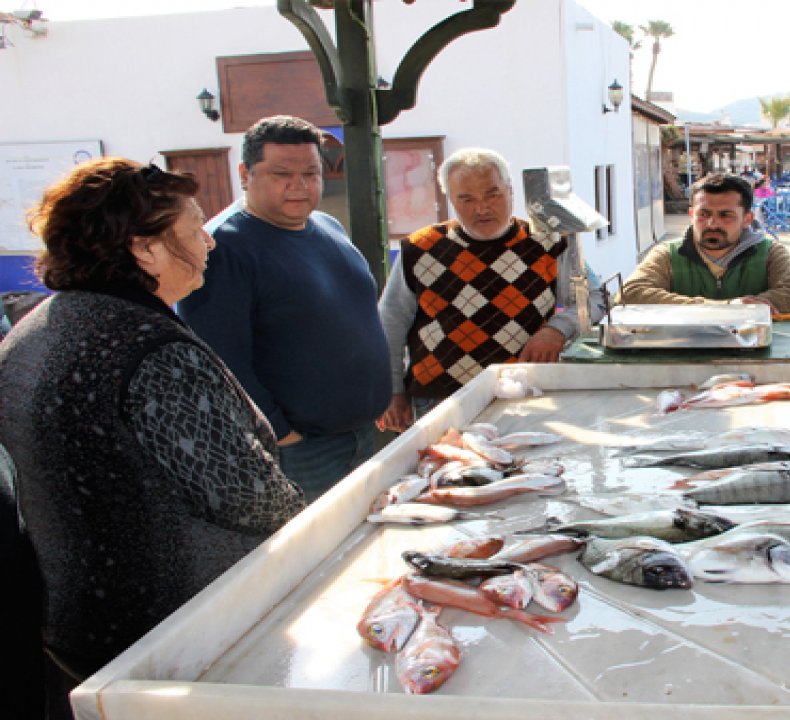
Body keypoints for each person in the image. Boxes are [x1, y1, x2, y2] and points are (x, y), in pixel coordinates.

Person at [0, 159, 305, 718]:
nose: (209, 242)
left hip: (79, 623)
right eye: (193, 229)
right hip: (177, 632)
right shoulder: (149, 346)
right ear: (144, 249)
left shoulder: (34, 328)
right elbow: (245, 495)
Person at [178, 115, 391, 502]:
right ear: (245, 174)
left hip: (362, 434)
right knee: (319, 542)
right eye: (281, 174)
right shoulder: (223, 249)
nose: (300, 186)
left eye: (311, 173)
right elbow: (218, 358)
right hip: (301, 452)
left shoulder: (327, 225)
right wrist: (281, 433)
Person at [377, 147, 604, 431]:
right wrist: (392, 391)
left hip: (521, 392)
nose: (482, 208)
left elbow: (594, 298)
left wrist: (556, 330)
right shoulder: (420, 248)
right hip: (439, 399)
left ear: (510, 191)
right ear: (450, 199)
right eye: (467, 199)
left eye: (492, 195)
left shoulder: (549, 243)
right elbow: (390, 322)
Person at [620, 172, 790, 315]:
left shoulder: (768, 252)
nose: (712, 224)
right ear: (691, 215)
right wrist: (726, 308)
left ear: (747, 219)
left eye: (725, 215)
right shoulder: (668, 254)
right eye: (703, 214)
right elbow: (628, 294)